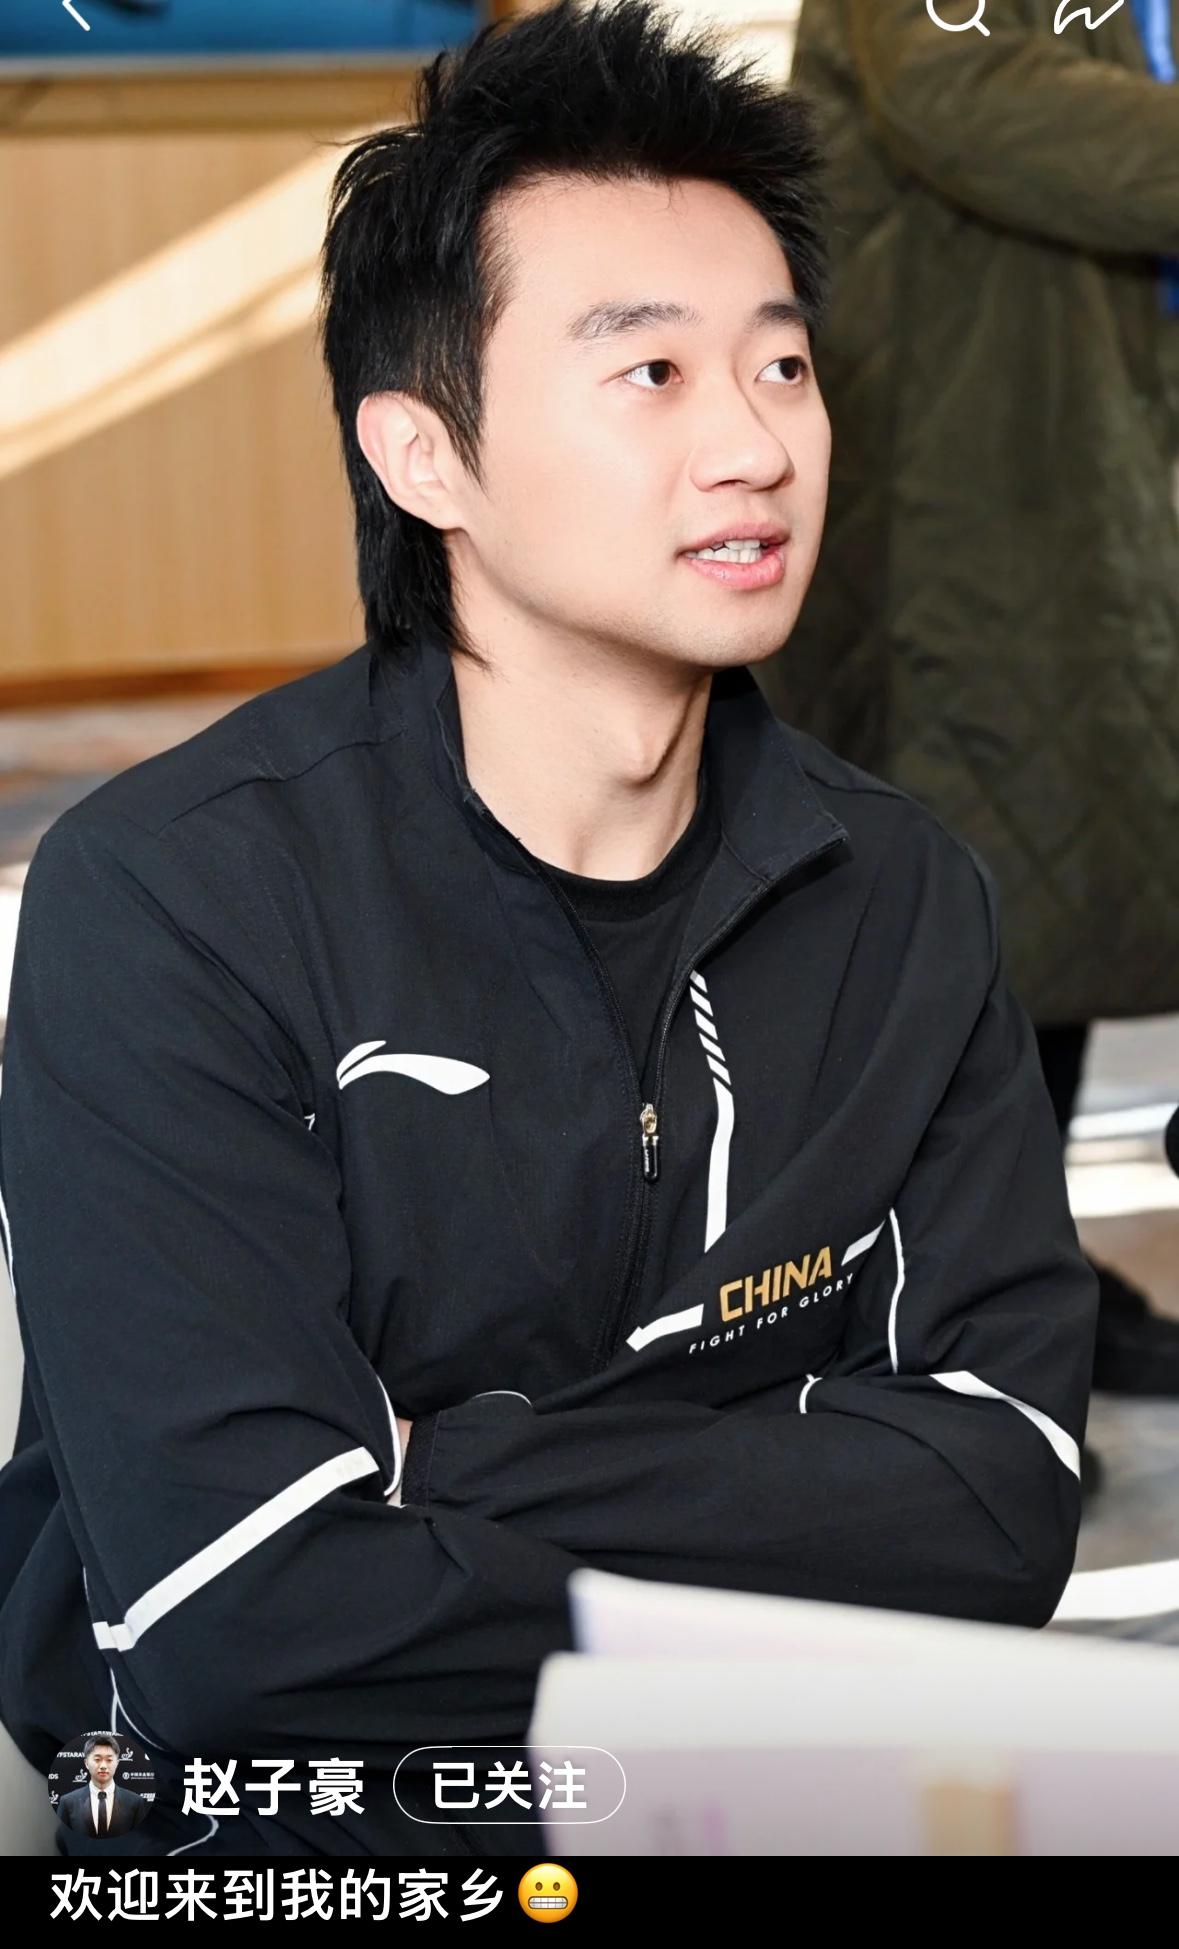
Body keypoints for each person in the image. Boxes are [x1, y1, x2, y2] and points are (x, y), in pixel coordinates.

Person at [0, 0, 1098, 1860]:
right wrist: (787, 1488)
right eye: (649, 372)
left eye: (780, 364)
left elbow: (1000, 1500)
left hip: (768, 1786)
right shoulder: (175, 897)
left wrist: (453, 1468)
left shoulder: (898, 888)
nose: (753, 442)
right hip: (312, 1837)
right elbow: (243, 1622)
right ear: (423, 456)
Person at [754, 0, 1179, 1403]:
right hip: (977, 475)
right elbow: (965, 88)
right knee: (980, 888)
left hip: (1083, 454)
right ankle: (949, 1319)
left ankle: (1022, 1279)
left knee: (1060, 881)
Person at [55, 1734, 150, 1839]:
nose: (103, 1766)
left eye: (109, 1760)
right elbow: (62, 1838)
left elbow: (140, 1839)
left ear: (117, 1763)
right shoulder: (67, 1802)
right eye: (97, 1759)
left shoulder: (135, 1802)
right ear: (86, 1763)